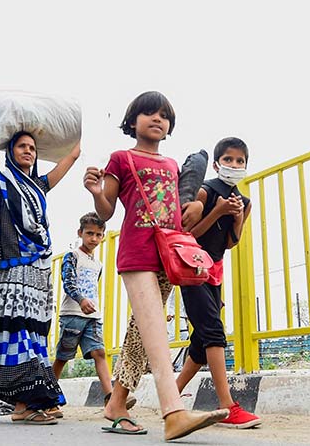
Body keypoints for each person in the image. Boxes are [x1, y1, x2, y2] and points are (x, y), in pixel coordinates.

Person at [83, 91, 228, 440]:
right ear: (132, 121)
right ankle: (173, 412)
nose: (157, 119)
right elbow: (107, 212)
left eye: (164, 115)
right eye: (149, 113)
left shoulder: (173, 166)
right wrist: (94, 191)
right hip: (136, 253)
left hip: (168, 254)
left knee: (141, 332)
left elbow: (177, 213)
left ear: (170, 125)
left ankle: (117, 403)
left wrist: (193, 208)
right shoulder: (121, 158)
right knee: (156, 335)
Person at [0, 131, 80, 425]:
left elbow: (72, 155)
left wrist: (74, 133)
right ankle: (18, 405)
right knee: (8, 330)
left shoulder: (39, 185)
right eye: (22, 146)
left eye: (32, 147)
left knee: (28, 330)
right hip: (4, 269)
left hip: (36, 269)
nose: (28, 151)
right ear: (10, 151)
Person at [175, 137, 261, 429]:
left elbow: (230, 243)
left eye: (240, 161)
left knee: (201, 342)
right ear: (216, 163)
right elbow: (189, 233)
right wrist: (217, 211)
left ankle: (171, 396)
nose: (234, 165)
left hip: (214, 270)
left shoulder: (244, 202)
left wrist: (236, 218)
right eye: (229, 160)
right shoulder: (205, 191)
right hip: (191, 266)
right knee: (213, 330)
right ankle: (228, 406)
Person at [50, 212, 117, 419]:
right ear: (80, 233)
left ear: (103, 236)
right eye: (89, 233)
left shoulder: (98, 264)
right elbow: (68, 282)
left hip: (92, 316)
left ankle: (111, 398)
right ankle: (48, 398)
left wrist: (90, 305)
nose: (94, 239)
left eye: (98, 235)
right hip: (73, 315)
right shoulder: (72, 256)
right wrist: (80, 300)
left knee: (99, 352)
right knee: (63, 357)